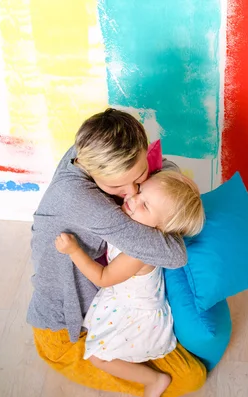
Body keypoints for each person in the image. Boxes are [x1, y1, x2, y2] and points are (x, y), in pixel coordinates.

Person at [27, 108, 206, 396]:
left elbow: (166, 169)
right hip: (66, 329)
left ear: (142, 150)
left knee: (190, 371)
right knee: (190, 378)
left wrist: (162, 187)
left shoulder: (100, 144)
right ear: (90, 167)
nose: (131, 193)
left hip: (113, 308)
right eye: (115, 186)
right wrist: (166, 206)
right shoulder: (81, 198)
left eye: (139, 178)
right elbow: (175, 254)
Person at [54, 170, 205, 397]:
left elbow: (103, 277)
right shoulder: (139, 226)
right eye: (141, 190)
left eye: (145, 205)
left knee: (99, 357)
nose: (133, 199)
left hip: (136, 314)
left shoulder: (139, 252)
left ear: (160, 228)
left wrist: (74, 250)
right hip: (122, 298)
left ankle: (154, 379)